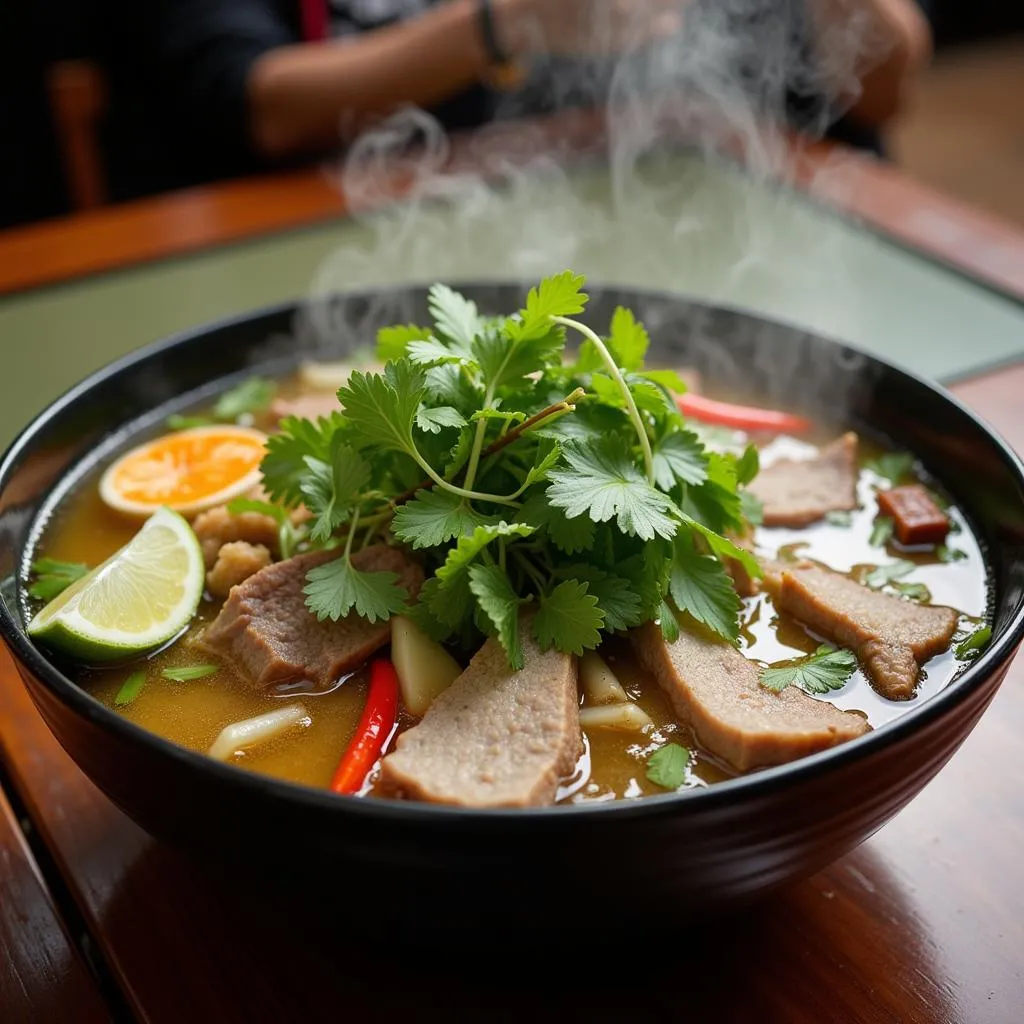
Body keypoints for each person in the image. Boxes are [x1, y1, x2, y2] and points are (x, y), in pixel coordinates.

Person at [96, 0, 931, 201]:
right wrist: (505, 23)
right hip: (388, 224)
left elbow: (886, 88)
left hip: (704, 217)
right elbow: (257, 102)